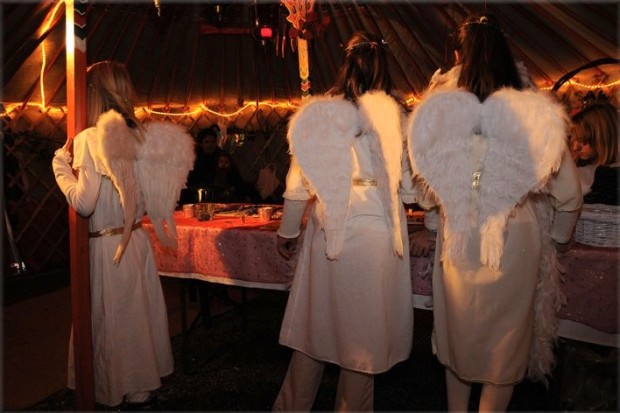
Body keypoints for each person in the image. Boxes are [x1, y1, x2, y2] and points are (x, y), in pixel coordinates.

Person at [406, 15, 582, 412]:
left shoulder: (439, 112)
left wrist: (436, 221)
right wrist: (559, 237)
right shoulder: (535, 112)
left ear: (456, 58)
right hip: (515, 238)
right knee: (504, 342)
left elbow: (423, 187)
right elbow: (568, 193)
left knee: (459, 334)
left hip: (459, 236)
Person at [272, 31, 417, 411]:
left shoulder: (318, 114)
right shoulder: (399, 117)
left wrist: (288, 231)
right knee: (363, 340)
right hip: (379, 235)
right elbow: (411, 189)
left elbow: (298, 182)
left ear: (345, 64)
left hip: (331, 228)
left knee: (315, 329)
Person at [52, 61, 194, 408]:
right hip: (137, 241)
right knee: (135, 319)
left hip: (107, 247)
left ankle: (111, 390)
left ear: (93, 94)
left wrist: (59, 166)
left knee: (113, 322)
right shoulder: (142, 137)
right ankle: (139, 390)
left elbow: (84, 204)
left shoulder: (91, 138)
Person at [569, 101, 619, 205]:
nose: (575, 147)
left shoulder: (610, 177)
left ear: (603, 138)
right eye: (574, 139)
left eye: (583, 141)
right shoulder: (581, 165)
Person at [182, 126, 225, 203]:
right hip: (196, 194)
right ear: (201, 144)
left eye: (213, 142)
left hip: (218, 194)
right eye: (207, 142)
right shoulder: (194, 158)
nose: (210, 145)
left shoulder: (221, 156)